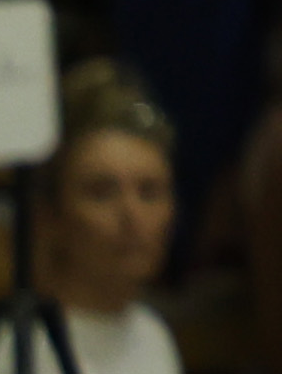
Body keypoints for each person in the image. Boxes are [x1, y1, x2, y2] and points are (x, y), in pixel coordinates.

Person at [37, 66, 191, 374]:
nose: (131, 216)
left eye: (149, 192)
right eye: (102, 192)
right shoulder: (26, 351)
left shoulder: (153, 335)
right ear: (53, 215)